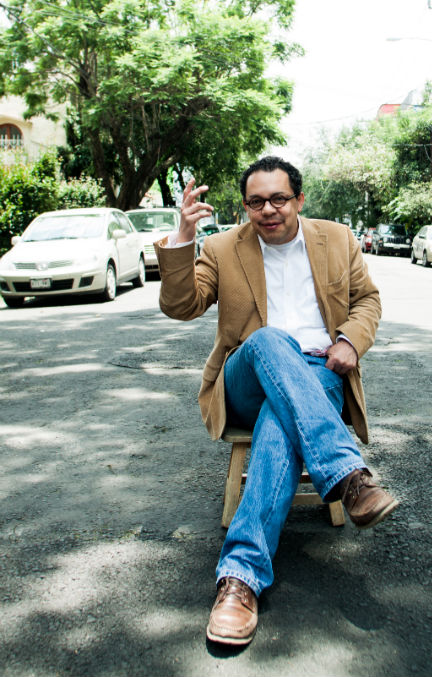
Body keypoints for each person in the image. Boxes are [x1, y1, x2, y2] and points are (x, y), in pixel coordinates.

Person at [155, 156, 399, 646]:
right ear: (245, 207)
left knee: (279, 423)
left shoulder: (337, 238)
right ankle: (349, 477)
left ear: (299, 200)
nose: (268, 210)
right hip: (247, 374)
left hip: (320, 372)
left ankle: (239, 579)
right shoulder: (223, 247)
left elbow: (366, 300)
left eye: (279, 199)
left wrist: (350, 341)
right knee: (269, 340)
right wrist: (183, 235)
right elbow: (180, 307)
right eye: (256, 202)